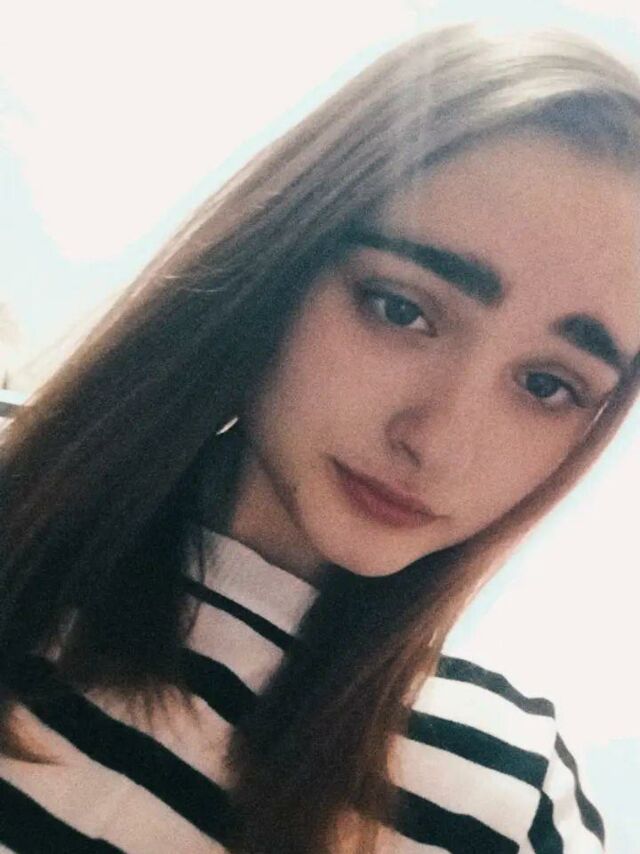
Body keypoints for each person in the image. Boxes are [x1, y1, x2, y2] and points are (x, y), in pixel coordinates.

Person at [0, 20, 639, 854]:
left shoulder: (503, 797)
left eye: (548, 385)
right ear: (283, 259)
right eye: (401, 309)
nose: (438, 443)